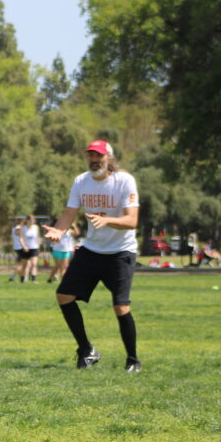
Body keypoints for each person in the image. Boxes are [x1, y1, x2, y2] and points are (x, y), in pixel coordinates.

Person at [42, 140, 141, 372]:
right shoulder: (81, 181)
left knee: (120, 307)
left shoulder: (124, 181)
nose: (94, 160)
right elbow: (69, 213)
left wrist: (107, 220)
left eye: (99, 156)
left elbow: (132, 220)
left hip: (121, 252)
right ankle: (87, 349)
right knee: (64, 295)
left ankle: (133, 360)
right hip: (92, 250)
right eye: (91, 156)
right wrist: (59, 230)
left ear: (109, 158)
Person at [22, 215, 41, 282]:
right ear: (27, 220)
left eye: (33, 220)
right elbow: (21, 238)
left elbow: (38, 237)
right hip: (26, 248)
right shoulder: (23, 228)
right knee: (25, 265)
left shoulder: (36, 227)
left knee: (34, 264)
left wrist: (38, 246)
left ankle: (33, 279)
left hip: (34, 247)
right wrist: (24, 246)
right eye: (30, 220)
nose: (31, 221)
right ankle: (23, 278)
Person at [7, 217, 26, 282]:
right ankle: (13, 277)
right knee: (21, 264)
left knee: (21, 264)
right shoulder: (18, 228)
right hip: (20, 248)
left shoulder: (15, 228)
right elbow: (18, 233)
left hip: (17, 248)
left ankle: (21, 278)